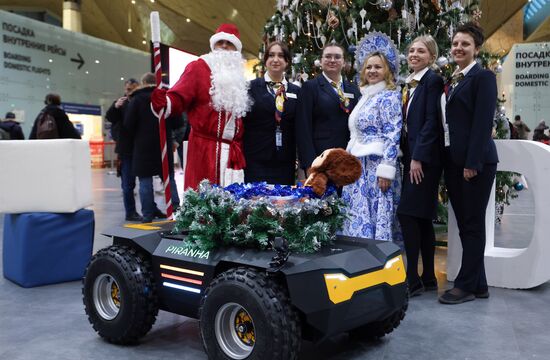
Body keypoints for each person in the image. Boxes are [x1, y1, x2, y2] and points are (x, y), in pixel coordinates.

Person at [438, 23, 498, 305]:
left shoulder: (483, 77)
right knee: (466, 225)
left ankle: (464, 286)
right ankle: (480, 284)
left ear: (476, 48)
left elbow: (483, 122)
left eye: (465, 44)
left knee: (472, 225)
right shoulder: (455, 79)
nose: (458, 48)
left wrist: (472, 162)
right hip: (454, 162)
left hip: (475, 163)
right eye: (455, 43)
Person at [151, 23, 251, 189]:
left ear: (237, 50)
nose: (224, 46)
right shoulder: (198, 68)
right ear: (213, 46)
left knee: (232, 205)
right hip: (204, 151)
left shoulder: (239, 78)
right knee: (203, 203)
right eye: (220, 42)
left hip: (233, 155)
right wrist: (166, 102)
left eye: (229, 43)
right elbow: (179, 96)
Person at [341, 32, 402, 242]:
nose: (373, 71)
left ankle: (378, 267)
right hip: (359, 166)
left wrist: (387, 170)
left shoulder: (388, 96)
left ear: (387, 70)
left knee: (377, 217)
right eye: (369, 67)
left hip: (376, 169)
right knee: (358, 217)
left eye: (378, 66)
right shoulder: (366, 96)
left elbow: (392, 135)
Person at [397, 35, 444, 296]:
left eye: (421, 51)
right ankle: (428, 277)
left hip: (424, 160)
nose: (414, 54)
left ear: (432, 57)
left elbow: (430, 122)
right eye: (412, 50)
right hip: (415, 157)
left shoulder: (432, 80)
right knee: (423, 218)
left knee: (407, 214)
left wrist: (417, 157)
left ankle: (411, 278)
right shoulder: (411, 83)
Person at [125, 73, 182, 223]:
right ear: (157, 82)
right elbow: (177, 121)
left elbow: (128, 124)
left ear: (143, 82)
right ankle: (175, 208)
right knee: (168, 177)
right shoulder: (166, 97)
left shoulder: (136, 99)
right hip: (163, 144)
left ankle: (148, 214)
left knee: (145, 180)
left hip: (143, 146)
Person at [295, 42, 361, 173]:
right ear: (321, 61)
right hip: (321, 159)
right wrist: (309, 163)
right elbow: (303, 128)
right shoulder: (310, 87)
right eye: (328, 56)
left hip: (349, 158)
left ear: (344, 62)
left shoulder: (353, 90)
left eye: (337, 57)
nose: (332, 60)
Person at [243, 41, 300, 185]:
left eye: (281, 56)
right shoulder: (250, 88)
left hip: (285, 161)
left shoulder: (296, 91)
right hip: (256, 159)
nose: (275, 59)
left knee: (283, 204)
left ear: (287, 62)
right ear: (265, 60)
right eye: (271, 55)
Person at [105, 78, 142, 222]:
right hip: (127, 149)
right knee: (128, 183)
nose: (129, 93)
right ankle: (131, 212)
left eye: (132, 90)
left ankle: (150, 208)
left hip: (140, 147)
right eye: (127, 90)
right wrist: (115, 106)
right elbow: (111, 117)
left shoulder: (140, 102)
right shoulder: (121, 103)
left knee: (145, 181)